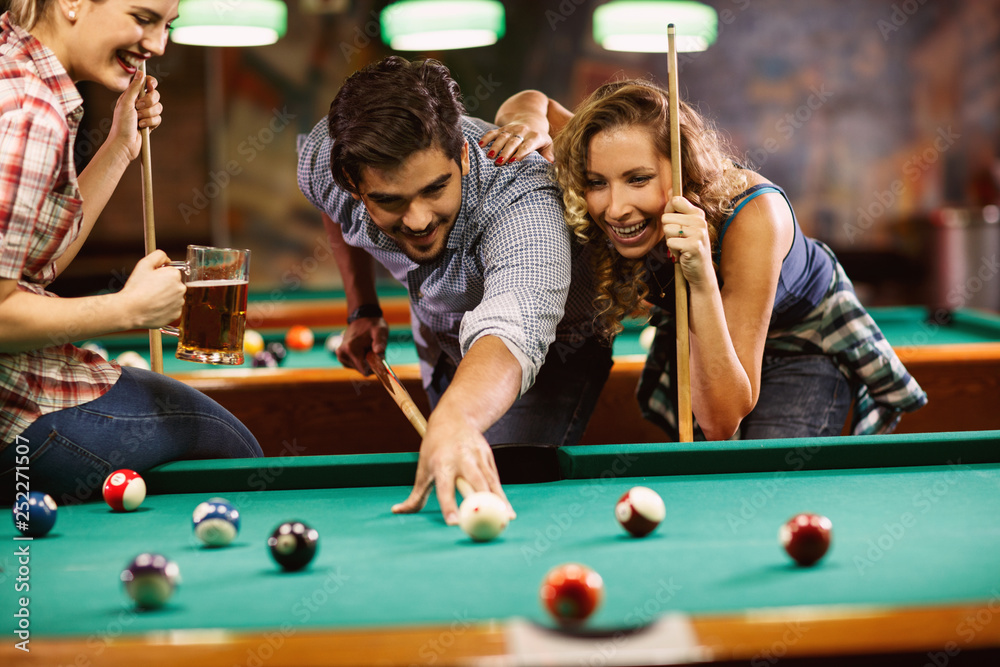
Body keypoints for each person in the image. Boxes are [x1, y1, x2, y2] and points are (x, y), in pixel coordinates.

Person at [483, 81, 927, 440]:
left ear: (683, 168)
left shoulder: (754, 213)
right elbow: (532, 99)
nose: (615, 208)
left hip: (802, 341)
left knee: (764, 485)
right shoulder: (605, 145)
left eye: (638, 179)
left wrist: (700, 277)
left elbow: (720, 422)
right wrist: (524, 120)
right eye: (598, 182)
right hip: (707, 331)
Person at [297, 57, 610, 525]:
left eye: (435, 188)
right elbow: (332, 208)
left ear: (462, 155)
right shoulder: (328, 158)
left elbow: (513, 327)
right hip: (439, 336)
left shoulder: (522, 193)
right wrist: (362, 306)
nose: (419, 219)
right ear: (353, 183)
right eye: (389, 200)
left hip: (552, 353)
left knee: (502, 495)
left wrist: (457, 420)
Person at [0, 0, 263, 506]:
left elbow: (37, 266)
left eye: (168, 25)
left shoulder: (16, 70)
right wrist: (129, 309)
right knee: (231, 450)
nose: (159, 45)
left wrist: (121, 143)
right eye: (143, 18)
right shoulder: (32, 111)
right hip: (18, 418)